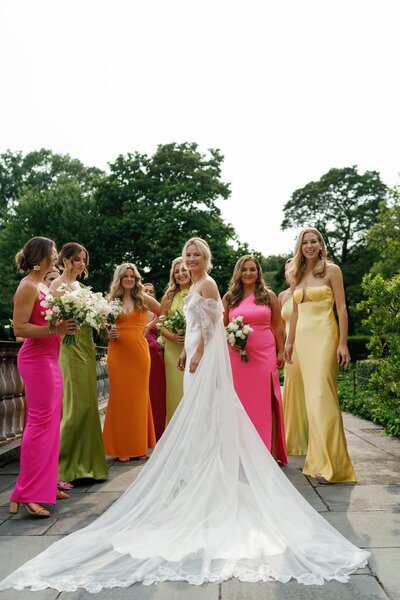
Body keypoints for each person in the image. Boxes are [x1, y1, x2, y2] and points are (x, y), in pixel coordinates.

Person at [0, 237, 369, 593]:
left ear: (205, 259)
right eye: (187, 254)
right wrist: (189, 350)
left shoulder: (206, 284)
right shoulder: (193, 286)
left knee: (205, 418)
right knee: (198, 419)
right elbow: (194, 325)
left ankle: (210, 485)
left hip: (202, 359)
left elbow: (214, 326)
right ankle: (200, 480)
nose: (191, 259)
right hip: (191, 356)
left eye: (196, 255)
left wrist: (199, 352)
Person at [9, 237, 76, 518]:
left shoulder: (43, 286)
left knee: (50, 425)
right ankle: (28, 494)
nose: (56, 255)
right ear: (41, 256)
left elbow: (47, 320)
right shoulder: (27, 286)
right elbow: (19, 328)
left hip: (50, 359)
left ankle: (45, 484)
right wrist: (55, 330)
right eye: (53, 252)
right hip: (36, 361)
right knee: (39, 425)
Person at [285, 227, 356, 483]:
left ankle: (335, 467)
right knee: (311, 401)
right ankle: (318, 462)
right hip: (302, 340)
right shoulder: (296, 273)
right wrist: (289, 343)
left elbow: (342, 307)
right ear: (300, 246)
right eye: (305, 242)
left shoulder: (332, 270)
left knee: (321, 396)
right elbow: (295, 312)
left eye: (314, 241)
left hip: (325, 335)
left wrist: (343, 343)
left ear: (321, 244)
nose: (310, 246)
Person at [50, 243, 108, 489]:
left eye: (83, 259)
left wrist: (101, 319)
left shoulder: (82, 288)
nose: (81, 263)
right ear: (64, 260)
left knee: (88, 405)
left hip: (86, 346)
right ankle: (61, 469)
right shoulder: (56, 285)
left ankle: (87, 466)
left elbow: (91, 319)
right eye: (76, 259)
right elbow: (52, 319)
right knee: (74, 407)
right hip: (70, 347)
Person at [223, 255, 287, 464]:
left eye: (252, 269)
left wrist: (280, 351)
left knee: (266, 401)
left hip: (264, 353)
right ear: (238, 273)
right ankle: (242, 452)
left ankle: (270, 451)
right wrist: (230, 340)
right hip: (237, 356)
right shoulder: (229, 298)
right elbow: (222, 327)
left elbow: (278, 325)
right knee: (241, 403)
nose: (248, 273)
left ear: (258, 272)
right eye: (244, 269)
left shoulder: (268, 296)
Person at [102, 265, 160, 461]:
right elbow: (101, 327)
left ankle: (139, 447)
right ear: (119, 279)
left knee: (139, 398)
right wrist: (108, 332)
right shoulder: (111, 301)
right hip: (117, 352)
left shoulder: (143, 298)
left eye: (132, 276)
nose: (129, 279)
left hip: (139, 353)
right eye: (125, 276)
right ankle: (122, 448)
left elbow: (164, 312)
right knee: (120, 397)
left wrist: (148, 326)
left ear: (136, 279)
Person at [278, 264, 308, 456]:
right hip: (288, 348)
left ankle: (310, 438)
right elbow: (280, 327)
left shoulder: (306, 291)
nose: (291, 273)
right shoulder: (282, 296)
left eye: (294, 269)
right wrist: (280, 350)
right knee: (292, 388)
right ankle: (293, 438)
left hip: (305, 342)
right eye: (288, 270)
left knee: (307, 388)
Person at [159, 257, 191, 424]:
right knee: (175, 391)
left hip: (194, 349)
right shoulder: (168, 297)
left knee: (192, 391)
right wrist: (172, 336)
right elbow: (161, 324)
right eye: (176, 271)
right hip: (173, 351)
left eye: (184, 270)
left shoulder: (199, 292)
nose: (180, 274)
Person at [143, 282, 166, 441]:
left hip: (155, 351)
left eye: (151, 291)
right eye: (146, 290)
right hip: (138, 352)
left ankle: (158, 430)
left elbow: (165, 322)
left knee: (156, 390)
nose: (149, 293)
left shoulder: (158, 312)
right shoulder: (135, 309)